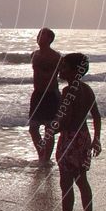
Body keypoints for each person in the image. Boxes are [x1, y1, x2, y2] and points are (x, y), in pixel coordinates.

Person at [48, 52, 102, 211]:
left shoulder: (68, 91)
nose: (61, 70)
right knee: (82, 181)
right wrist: (97, 139)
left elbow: (66, 119)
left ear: (73, 71)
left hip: (69, 139)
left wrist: (52, 130)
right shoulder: (87, 89)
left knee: (66, 183)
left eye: (64, 67)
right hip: (84, 138)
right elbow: (96, 115)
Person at [29, 27, 62, 161]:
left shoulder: (56, 57)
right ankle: (41, 154)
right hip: (37, 94)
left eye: (42, 35)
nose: (38, 37)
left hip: (50, 95)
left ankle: (46, 158)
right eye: (38, 34)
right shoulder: (34, 54)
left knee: (49, 129)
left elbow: (63, 74)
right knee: (33, 128)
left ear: (49, 39)